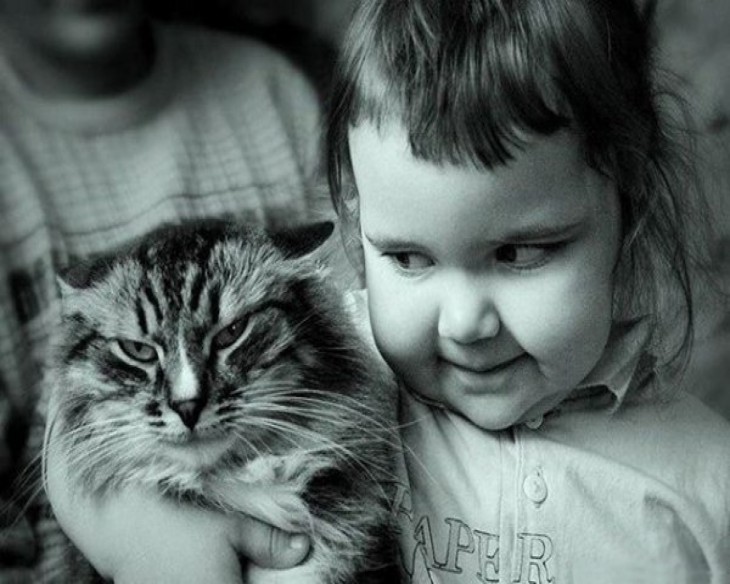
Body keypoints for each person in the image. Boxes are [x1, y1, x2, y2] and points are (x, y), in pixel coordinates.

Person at [46, 0, 730, 582]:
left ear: (631, 211)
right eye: (407, 257)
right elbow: (76, 431)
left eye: (520, 252)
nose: (463, 323)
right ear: (354, 228)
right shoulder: (352, 379)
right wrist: (131, 532)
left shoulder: (709, 481)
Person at [0, 0, 337, 580]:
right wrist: (125, 538)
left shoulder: (274, 92)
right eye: (138, 351)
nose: (188, 397)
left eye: (230, 334)